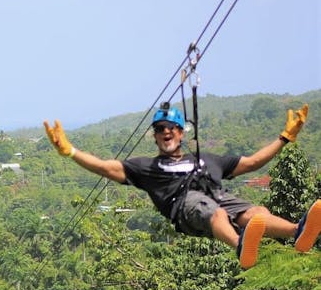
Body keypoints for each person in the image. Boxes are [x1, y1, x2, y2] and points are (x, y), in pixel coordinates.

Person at [44, 103, 321, 268]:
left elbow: (250, 163)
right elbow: (107, 167)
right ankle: (241, 246)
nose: (166, 132)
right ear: (155, 136)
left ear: (180, 133)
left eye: (171, 128)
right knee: (215, 212)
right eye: (160, 129)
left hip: (216, 197)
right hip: (185, 207)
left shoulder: (207, 161)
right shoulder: (148, 168)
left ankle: (296, 232)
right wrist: (70, 152)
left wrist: (285, 138)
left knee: (255, 213)